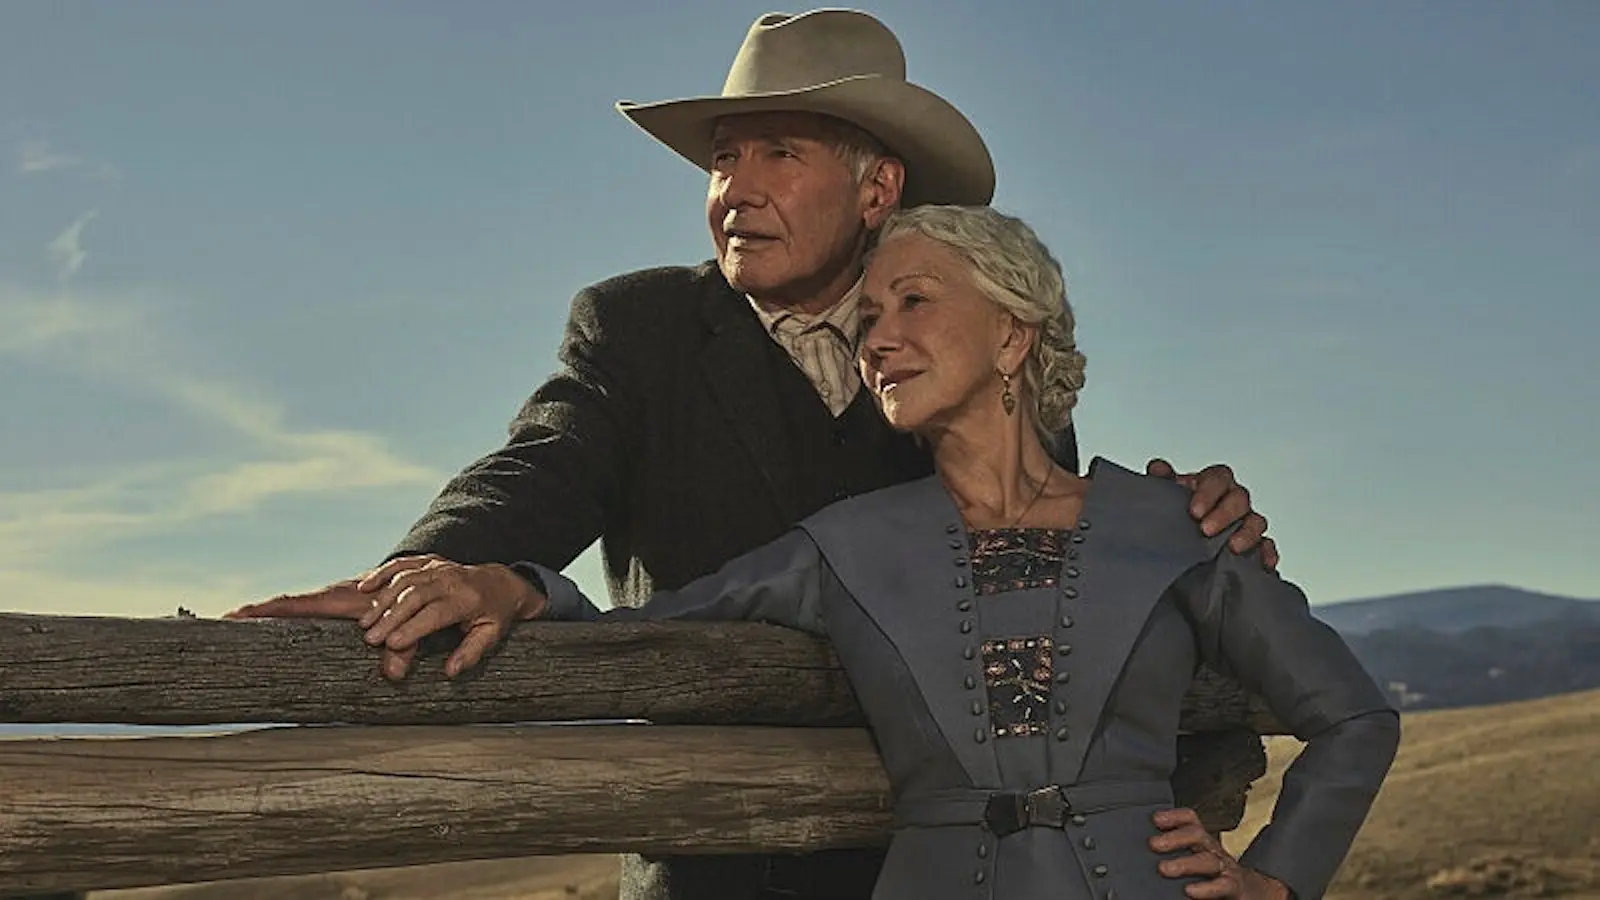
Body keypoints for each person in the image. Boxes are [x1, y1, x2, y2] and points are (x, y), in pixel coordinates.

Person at [229, 10, 1286, 900]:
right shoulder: (637, 327)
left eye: (779, 152)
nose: (735, 186)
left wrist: (1175, 539)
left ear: (877, 190)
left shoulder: (968, 339)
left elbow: (1038, 564)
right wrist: (451, 564)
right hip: (717, 861)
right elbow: (542, 465)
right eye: (724, 157)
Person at [463, 204, 1399, 900]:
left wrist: (1280, 876)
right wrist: (516, 586)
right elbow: (648, 629)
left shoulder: (1173, 525)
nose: (880, 338)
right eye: (869, 317)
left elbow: (1354, 716)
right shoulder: (843, 548)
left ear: (1012, 332)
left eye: (915, 301)